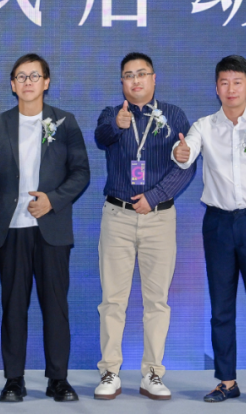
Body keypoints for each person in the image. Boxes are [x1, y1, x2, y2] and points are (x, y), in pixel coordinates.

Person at [172, 55, 246, 406]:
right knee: (221, 306)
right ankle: (226, 381)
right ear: (216, 87)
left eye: (237, 82)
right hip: (218, 224)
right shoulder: (205, 126)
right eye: (224, 82)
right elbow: (186, 153)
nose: (231, 89)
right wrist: (181, 151)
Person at [0, 53, 90, 403]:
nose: (28, 82)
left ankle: (58, 379)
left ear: (46, 82)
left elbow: (81, 172)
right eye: (21, 77)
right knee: (13, 307)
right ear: (13, 85)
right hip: (11, 228)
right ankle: (14, 380)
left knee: (55, 306)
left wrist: (52, 200)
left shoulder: (65, 122)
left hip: (51, 227)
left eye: (34, 76)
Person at [92, 52, 193, 400]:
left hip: (159, 218)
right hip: (117, 217)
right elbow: (101, 137)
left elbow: (186, 164)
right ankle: (110, 371)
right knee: (112, 301)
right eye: (128, 75)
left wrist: (155, 195)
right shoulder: (112, 114)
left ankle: (152, 373)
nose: (135, 80)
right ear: (122, 82)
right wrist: (116, 126)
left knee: (157, 302)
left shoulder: (174, 115)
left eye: (141, 73)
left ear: (153, 78)